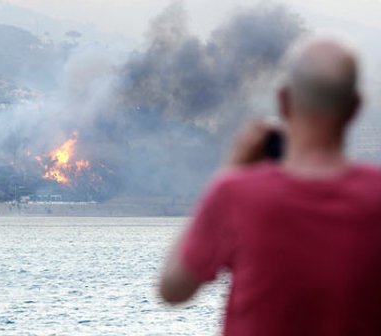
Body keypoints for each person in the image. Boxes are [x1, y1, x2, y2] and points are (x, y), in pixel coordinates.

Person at [159, 36, 381, 335]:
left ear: (284, 102)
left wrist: (229, 171)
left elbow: (172, 289)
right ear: (355, 108)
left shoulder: (235, 195)